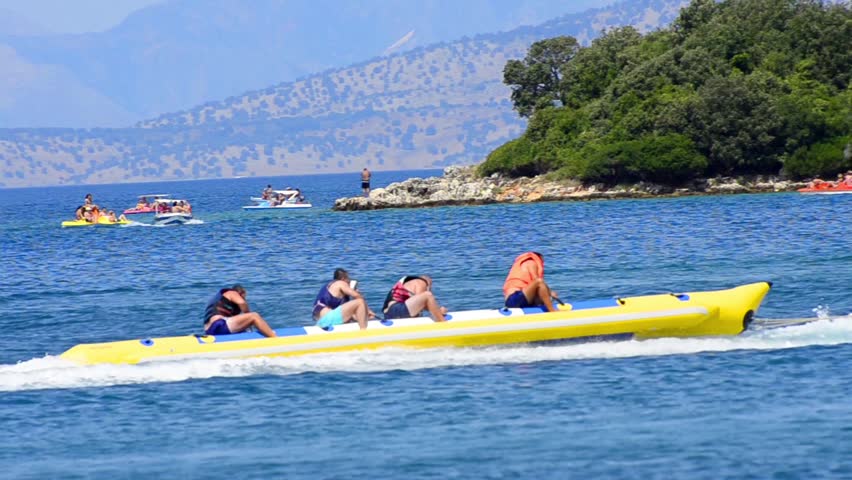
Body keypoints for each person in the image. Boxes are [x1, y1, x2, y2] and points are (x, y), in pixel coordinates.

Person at [203, 285, 276, 337]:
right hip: (219, 325)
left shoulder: (220, 298)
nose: (245, 299)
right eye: (244, 297)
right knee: (254, 316)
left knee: (244, 329)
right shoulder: (232, 293)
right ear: (241, 293)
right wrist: (248, 314)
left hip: (209, 330)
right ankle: (275, 339)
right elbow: (242, 303)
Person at [382, 275, 447, 321]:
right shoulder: (421, 282)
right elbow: (423, 302)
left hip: (389, 313)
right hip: (396, 309)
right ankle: (443, 324)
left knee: (418, 311)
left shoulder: (409, 283)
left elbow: (417, 306)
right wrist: (438, 311)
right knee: (428, 295)